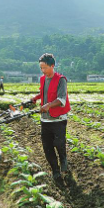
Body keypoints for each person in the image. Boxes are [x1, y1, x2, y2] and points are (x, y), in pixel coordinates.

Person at [30, 53, 71, 183]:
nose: (43, 71)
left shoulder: (61, 80)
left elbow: (61, 99)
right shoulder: (43, 79)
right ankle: (55, 171)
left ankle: (63, 162)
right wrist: (35, 98)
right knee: (47, 147)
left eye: (45, 68)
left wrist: (48, 105)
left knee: (59, 143)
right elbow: (44, 92)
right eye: (41, 68)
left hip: (58, 119)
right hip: (45, 120)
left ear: (52, 66)